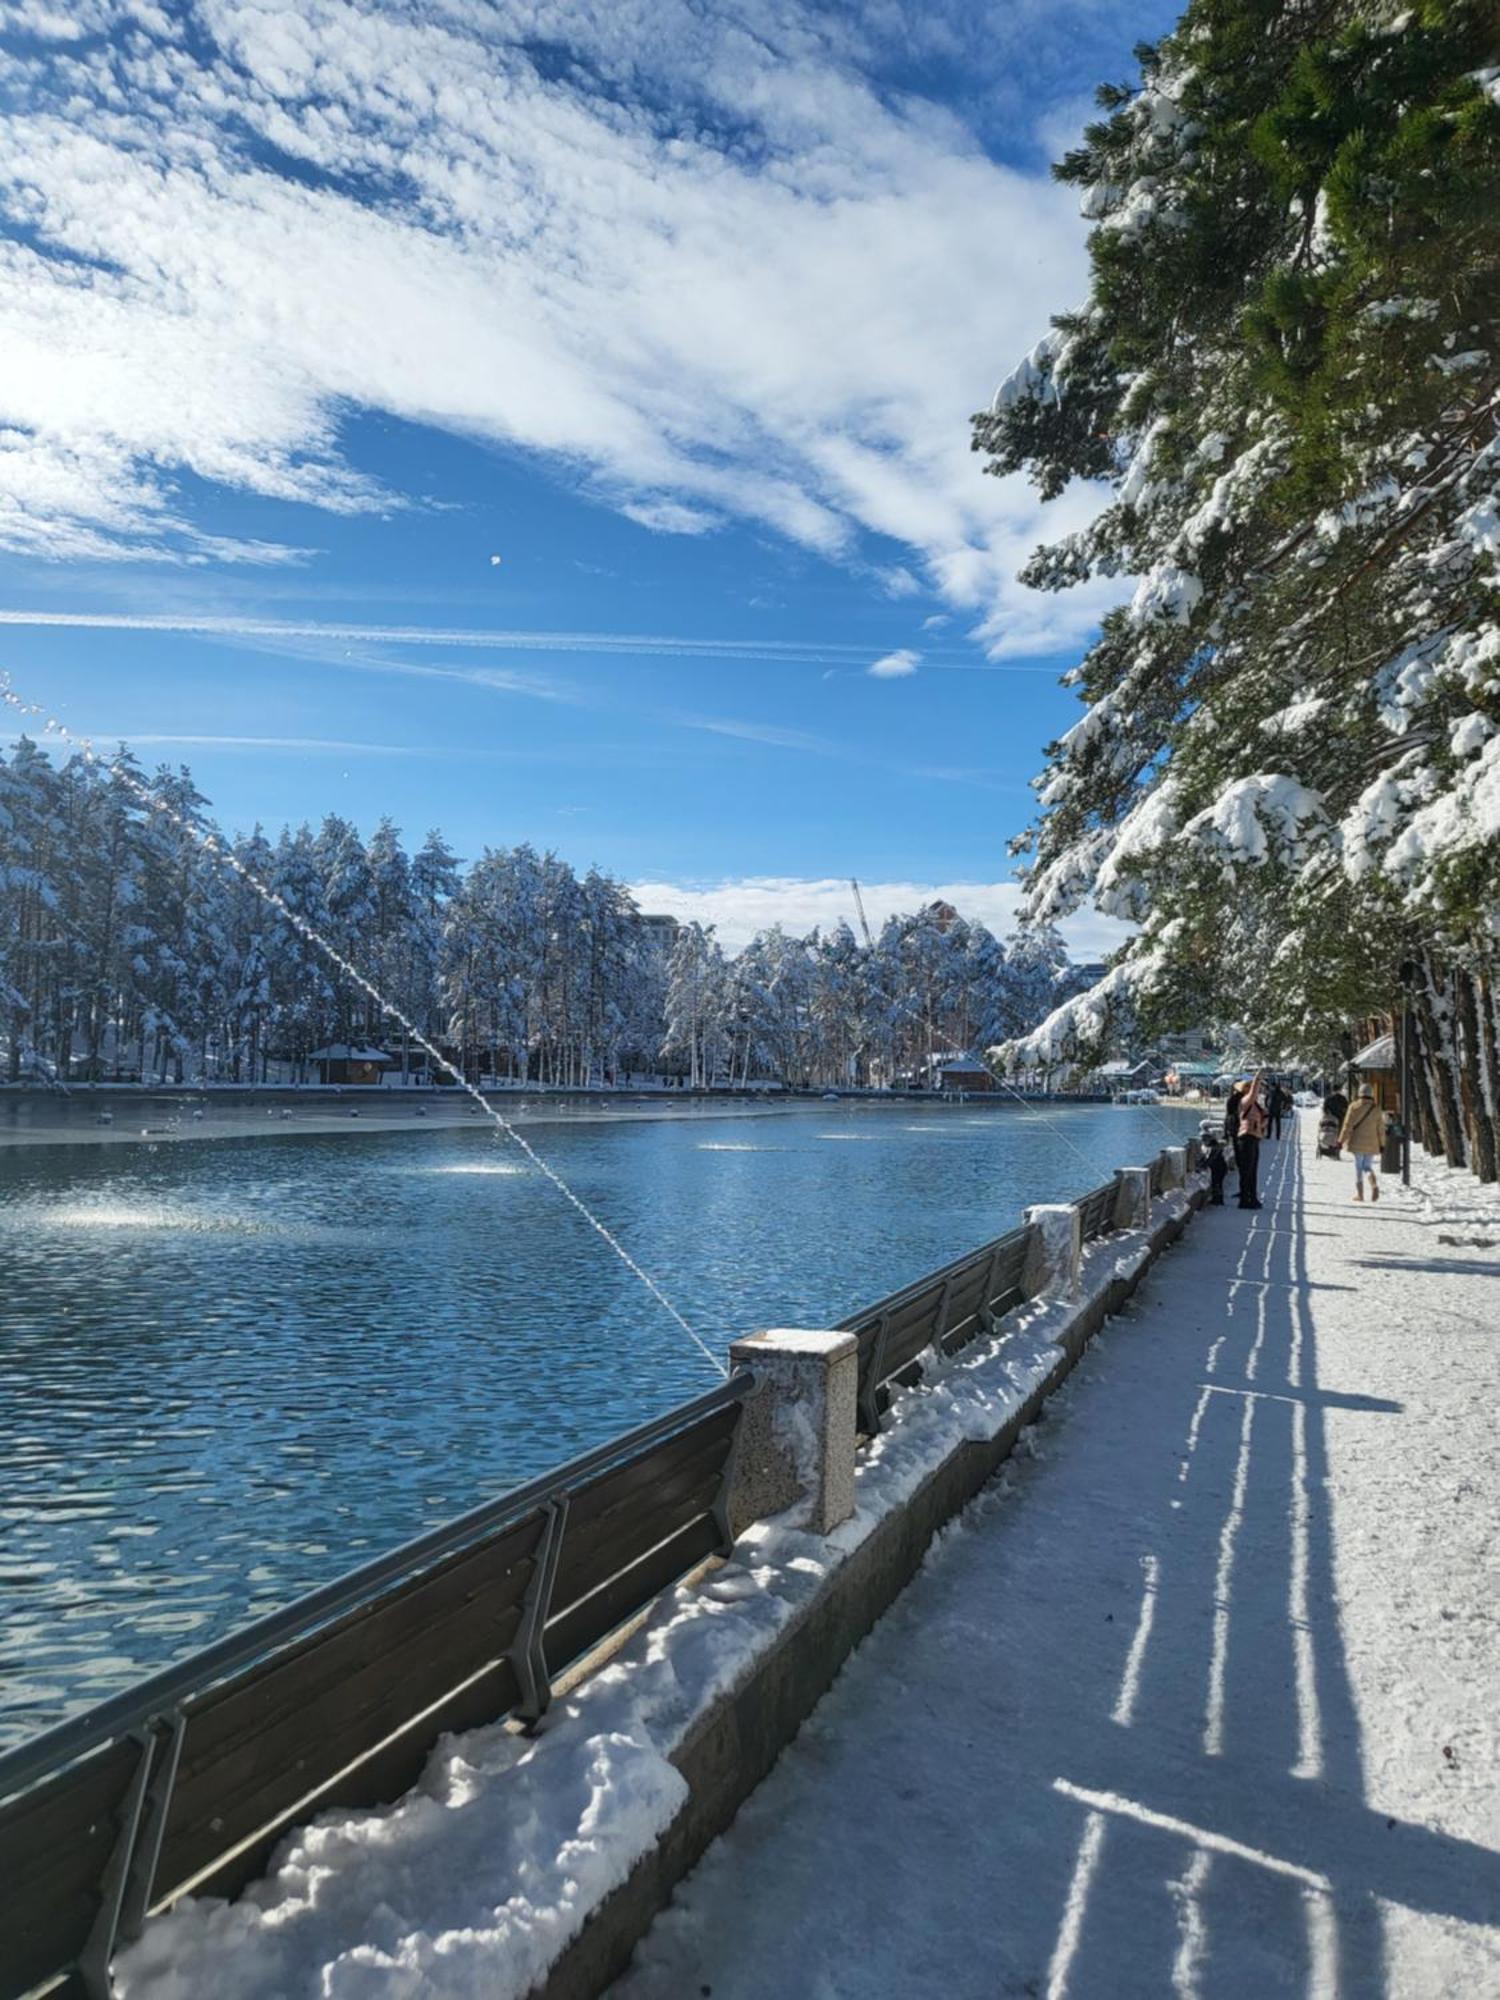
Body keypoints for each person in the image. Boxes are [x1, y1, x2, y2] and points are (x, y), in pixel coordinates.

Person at [1339, 1084, 1387, 1202]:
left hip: (1357, 1142)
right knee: (1367, 1167)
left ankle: (1360, 1195)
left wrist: (1341, 1140)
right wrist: (1382, 1144)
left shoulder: (1354, 1107)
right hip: (1372, 1142)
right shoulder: (1376, 1109)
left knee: (1358, 1168)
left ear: (1359, 1093)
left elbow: (1347, 1126)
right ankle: (1373, 1185)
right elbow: (1381, 1129)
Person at [1231, 1071, 1268, 1209]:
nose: (1250, 1088)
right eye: (1248, 1086)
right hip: (1246, 1137)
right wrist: (1257, 1078)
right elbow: (1253, 1093)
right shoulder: (1245, 1101)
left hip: (1254, 1137)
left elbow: (1264, 1117)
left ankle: (1252, 1197)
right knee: (1247, 1170)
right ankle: (1245, 1199)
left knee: (1253, 1170)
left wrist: (1261, 1125)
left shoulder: (1254, 1104)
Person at [1200, 1119, 1230, 1205]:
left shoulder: (1213, 1149)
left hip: (1218, 1168)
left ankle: (1217, 1200)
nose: (1204, 1142)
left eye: (1205, 1140)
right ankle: (1218, 1199)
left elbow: (1210, 1159)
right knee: (1218, 1184)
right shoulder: (1217, 1146)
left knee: (1216, 1183)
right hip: (1221, 1167)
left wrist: (1203, 1165)